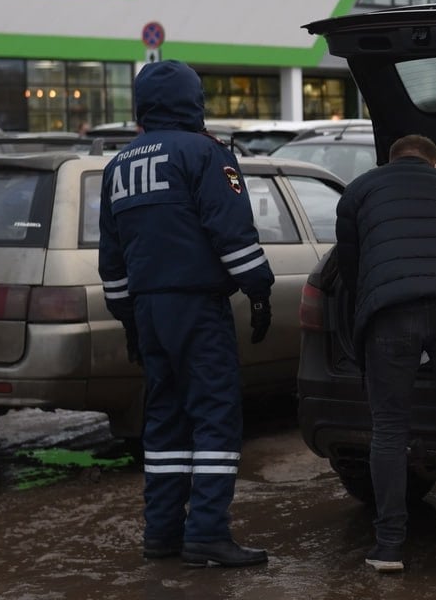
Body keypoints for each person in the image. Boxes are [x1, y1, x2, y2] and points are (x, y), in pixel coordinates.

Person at [98, 59, 274, 568]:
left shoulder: (119, 166)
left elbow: (113, 256)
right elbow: (232, 229)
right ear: (194, 101)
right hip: (197, 307)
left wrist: (128, 317)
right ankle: (207, 535)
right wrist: (258, 290)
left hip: (148, 312)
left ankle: (162, 536)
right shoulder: (204, 153)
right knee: (216, 416)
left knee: (166, 422)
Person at [334, 134, 436, 574]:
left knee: (389, 429)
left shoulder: (360, 189)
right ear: (435, 162)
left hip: (391, 314)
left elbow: (351, 266)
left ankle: (389, 547)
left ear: (390, 160)